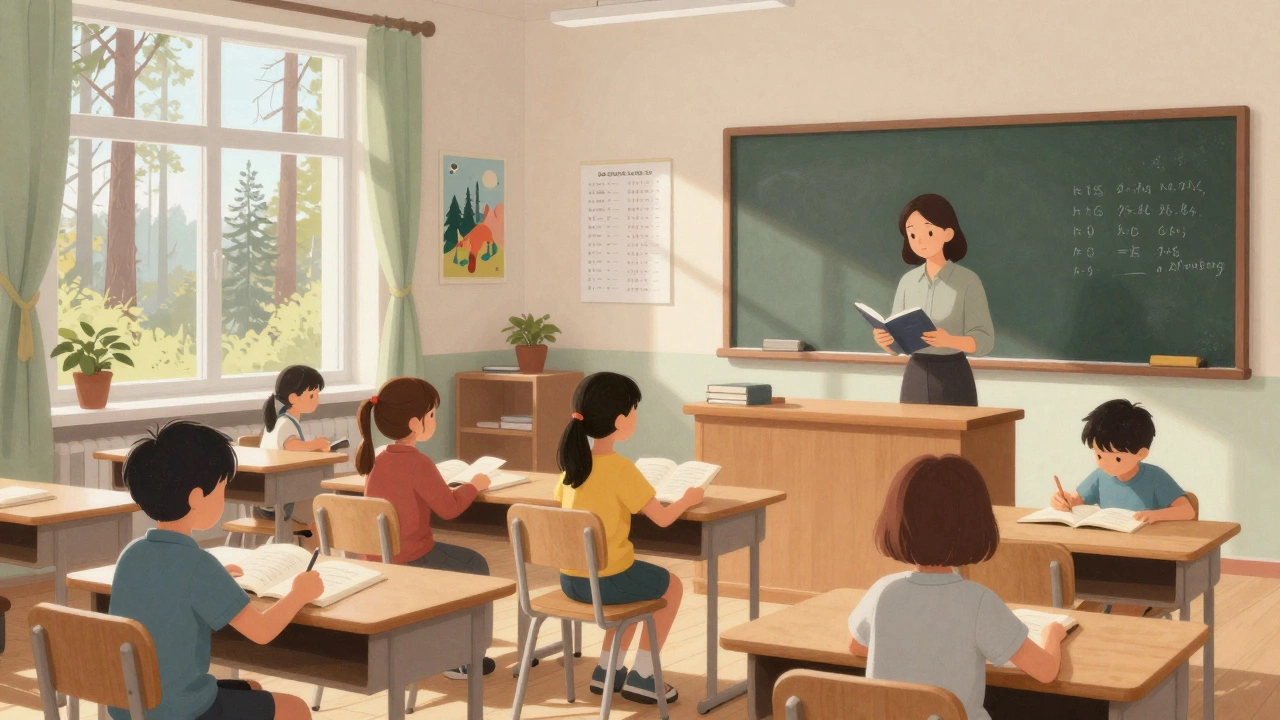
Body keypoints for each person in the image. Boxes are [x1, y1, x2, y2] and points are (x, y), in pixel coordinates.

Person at [110, 420, 322, 720]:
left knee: (250, 687)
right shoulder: (198, 566)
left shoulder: (131, 555)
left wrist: (214, 576)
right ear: (197, 497)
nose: (224, 498)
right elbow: (262, 632)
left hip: (131, 705)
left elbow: (169, 585)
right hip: (182, 710)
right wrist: (300, 593)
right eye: (222, 489)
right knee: (295, 710)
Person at [848, 455, 1066, 720]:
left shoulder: (883, 591)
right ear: (975, 524)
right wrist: (1053, 634)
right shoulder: (978, 602)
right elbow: (1045, 671)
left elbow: (857, 646)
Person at [555, 372, 704, 705]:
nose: (635, 417)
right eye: (633, 410)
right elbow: (664, 519)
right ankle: (645, 677)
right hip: (607, 581)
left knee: (631, 587)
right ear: (620, 420)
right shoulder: (620, 469)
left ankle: (607, 669)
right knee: (670, 586)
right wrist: (688, 499)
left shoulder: (572, 468)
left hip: (571, 580)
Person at [357, 376, 497, 678]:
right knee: (475, 564)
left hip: (373, 558)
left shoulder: (377, 457)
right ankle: (467, 657)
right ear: (414, 423)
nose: (434, 420)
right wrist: (474, 484)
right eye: (431, 415)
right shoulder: (418, 463)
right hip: (411, 557)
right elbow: (449, 508)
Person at [1050, 399, 1196, 616]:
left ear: (1141, 454)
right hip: (1108, 558)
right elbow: (1076, 499)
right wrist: (1062, 500)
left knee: (1118, 611)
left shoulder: (1156, 477)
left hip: (1146, 563)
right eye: (1098, 454)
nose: (1105, 463)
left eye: (1116, 457)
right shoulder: (1101, 476)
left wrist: (1156, 515)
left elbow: (1188, 511)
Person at [872, 193, 994, 406]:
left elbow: (985, 340)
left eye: (928, 231)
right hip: (915, 375)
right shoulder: (907, 282)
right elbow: (898, 341)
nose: (919, 240)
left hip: (953, 375)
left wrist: (950, 340)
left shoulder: (968, 281)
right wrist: (887, 342)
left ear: (947, 233)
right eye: (912, 235)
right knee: (914, 438)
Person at [256, 365, 330, 545]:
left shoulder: (279, 421)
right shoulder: (285, 423)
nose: (316, 400)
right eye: (312, 395)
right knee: (324, 506)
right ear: (293, 398)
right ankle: (316, 554)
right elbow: (291, 446)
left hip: (266, 499)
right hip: (280, 503)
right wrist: (314, 444)